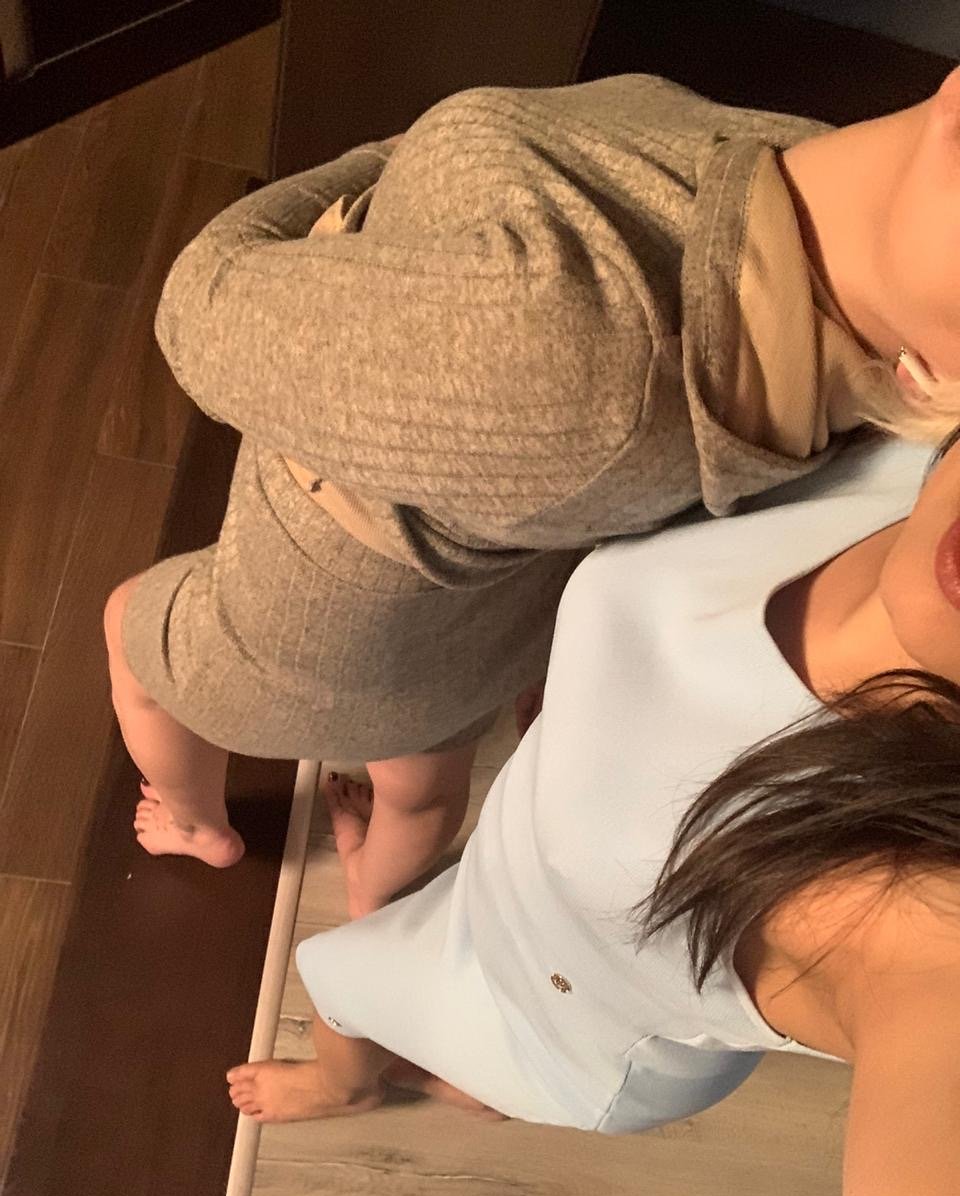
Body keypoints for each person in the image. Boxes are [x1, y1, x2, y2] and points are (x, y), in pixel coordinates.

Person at [104, 67, 960, 918]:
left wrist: (385, 164)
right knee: (421, 795)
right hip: (479, 637)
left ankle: (197, 823)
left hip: (310, 636)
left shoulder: (574, 345)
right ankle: (373, 899)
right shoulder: (811, 198)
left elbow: (198, 304)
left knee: (132, 635)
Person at [227, 422, 960, 1196]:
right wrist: (582, 711)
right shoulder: (910, 430)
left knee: (334, 978)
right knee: (414, 947)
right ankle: (458, 1068)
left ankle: (348, 1086)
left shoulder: (930, 933)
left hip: (554, 1024)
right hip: (531, 876)